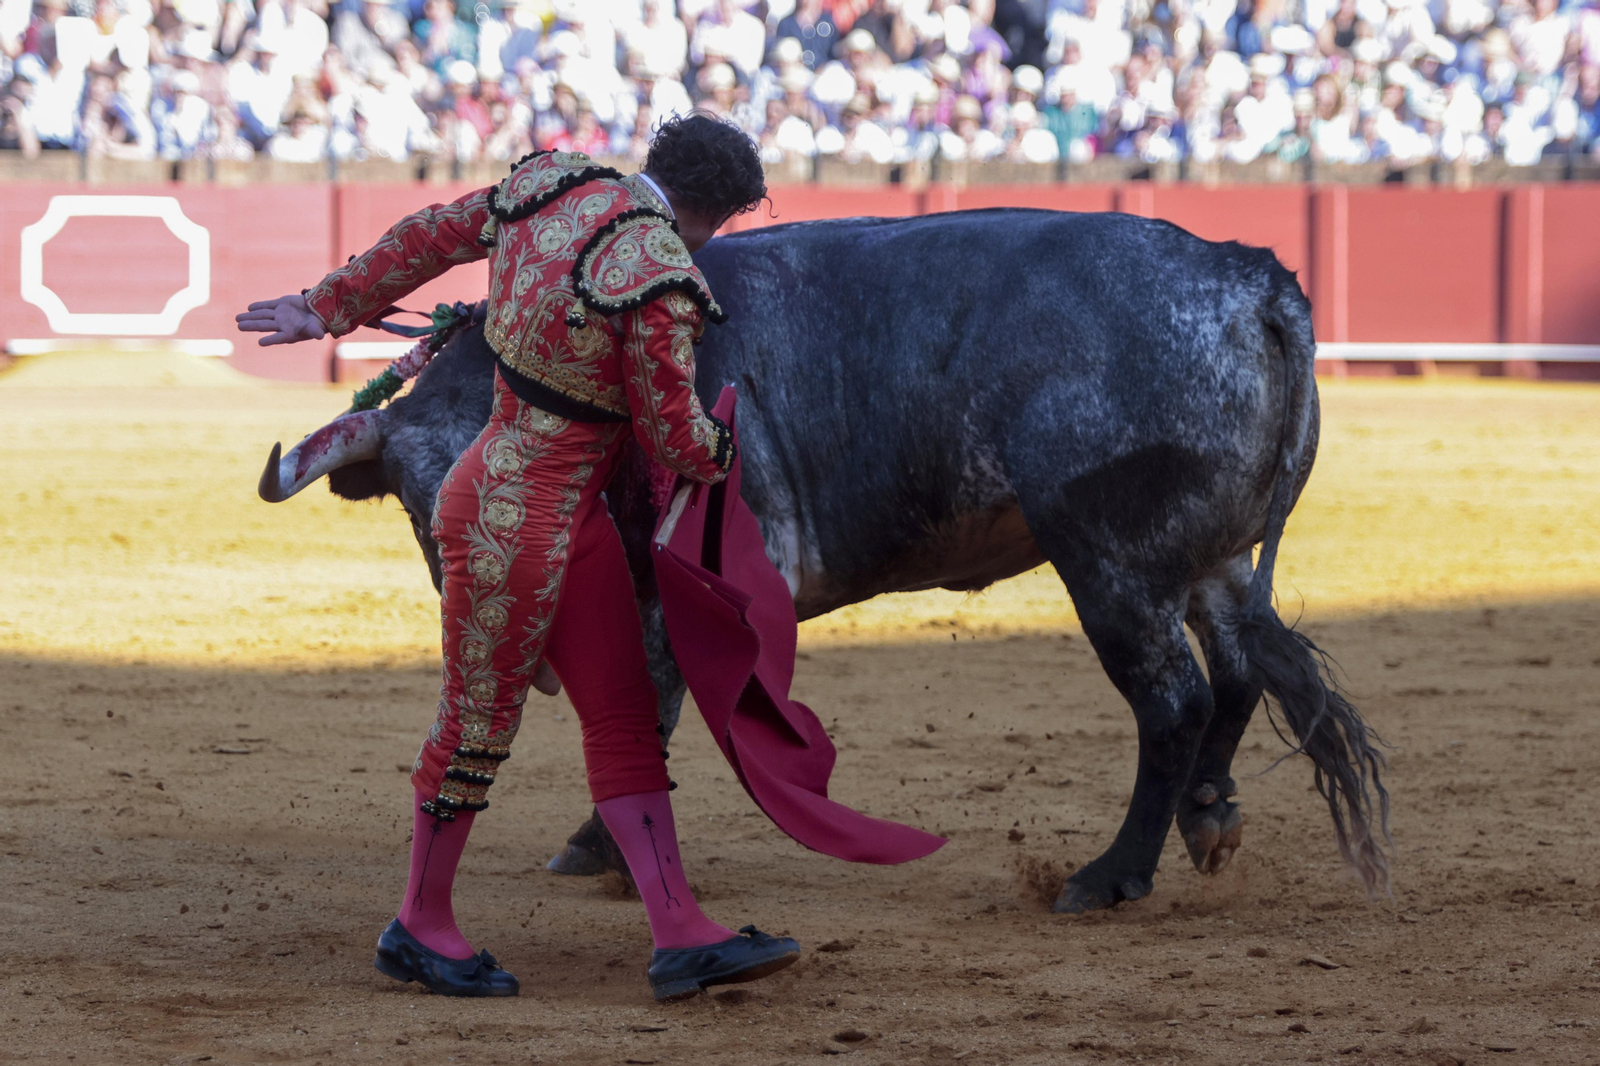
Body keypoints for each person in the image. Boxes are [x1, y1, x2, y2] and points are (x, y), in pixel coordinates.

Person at [236, 114, 800, 1002]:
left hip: (539, 507)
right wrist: (725, 450)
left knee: (619, 712)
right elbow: (671, 433)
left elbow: (432, 232)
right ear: (723, 212)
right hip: (517, 521)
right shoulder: (660, 275)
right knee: (476, 726)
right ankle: (419, 925)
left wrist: (325, 307)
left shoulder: (554, 184)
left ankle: (680, 930)